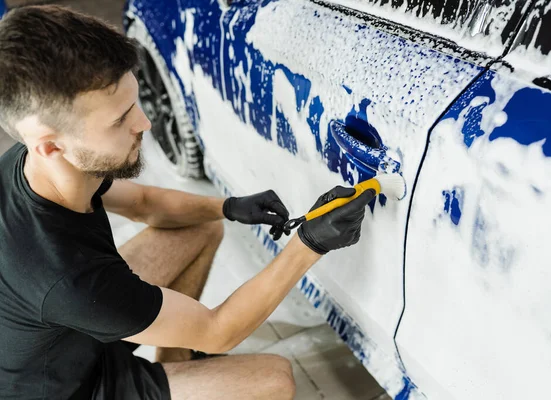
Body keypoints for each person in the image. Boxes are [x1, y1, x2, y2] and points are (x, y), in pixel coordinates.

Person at [0, 5, 376, 400]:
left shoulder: (34, 164)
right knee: (274, 379)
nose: (144, 123)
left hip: (69, 334)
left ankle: (172, 365)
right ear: (50, 145)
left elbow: (145, 202)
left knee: (198, 225)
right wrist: (309, 245)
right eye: (119, 120)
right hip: (71, 389)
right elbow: (219, 331)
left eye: (135, 102)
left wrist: (229, 207)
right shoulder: (71, 279)